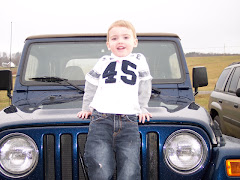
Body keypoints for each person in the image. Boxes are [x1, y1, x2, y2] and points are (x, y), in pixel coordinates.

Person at [77, 20, 152, 180]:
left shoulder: (139, 59)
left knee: (130, 168)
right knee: (99, 166)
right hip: (101, 119)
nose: (120, 41)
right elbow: (91, 84)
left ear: (135, 42)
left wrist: (143, 108)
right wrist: (86, 107)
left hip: (129, 120)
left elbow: (144, 85)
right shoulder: (103, 61)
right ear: (108, 44)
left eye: (125, 37)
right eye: (114, 38)